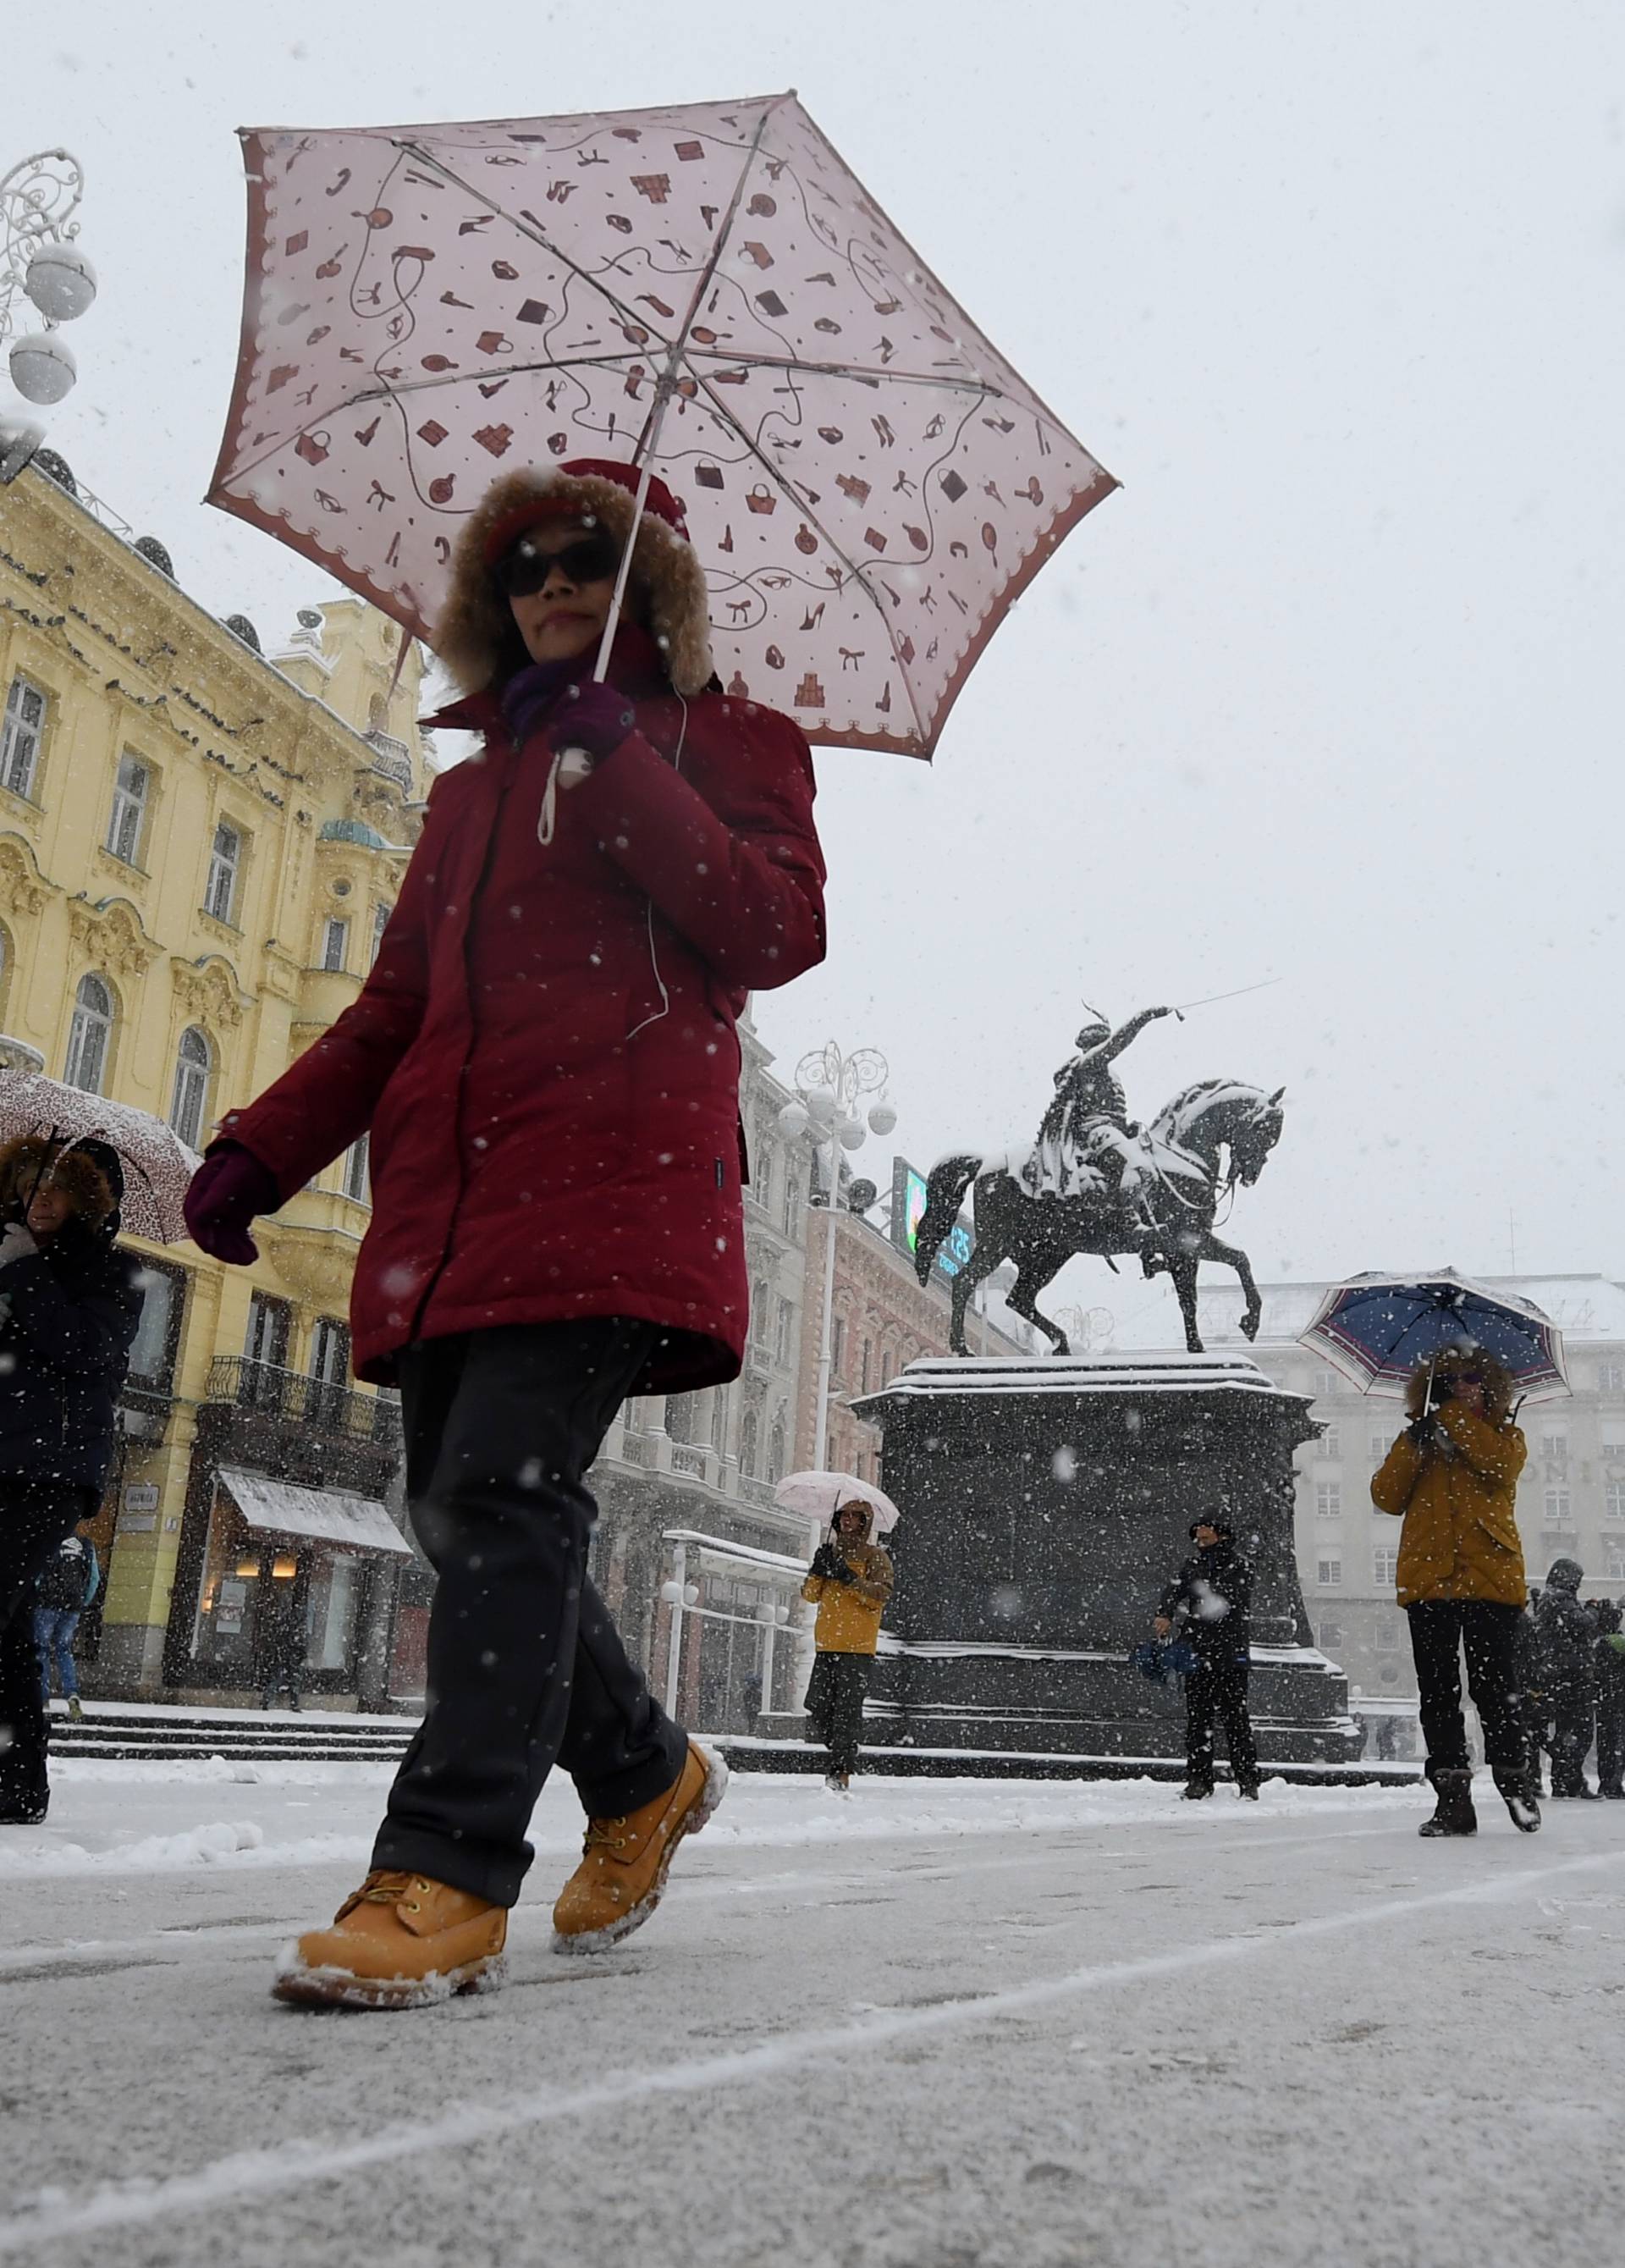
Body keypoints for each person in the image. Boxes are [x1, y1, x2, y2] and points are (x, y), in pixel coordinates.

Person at [183, 457, 826, 2008]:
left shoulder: (729, 739)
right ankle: (644, 1770)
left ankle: (447, 1867)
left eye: (590, 562)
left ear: (650, 593)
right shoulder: (465, 792)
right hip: (452, 1206)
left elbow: (774, 926)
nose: (552, 584)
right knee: (468, 1511)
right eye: (528, 562)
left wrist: (625, 769)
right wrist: (262, 1145)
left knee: (498, 1489)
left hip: (618, 1183)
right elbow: (400, 1005)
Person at [0, 1137, 141, 1824]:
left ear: (89, 1200)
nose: (43, 1197)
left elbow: (86, 1350)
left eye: (58, 1187)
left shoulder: (109, 1273)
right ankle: (18, 1783)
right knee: (12, 1635)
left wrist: (26, 1275)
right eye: (32, 1183)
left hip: (46, 1471)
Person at [1372, 1348, 1540, 1835]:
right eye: (1448, 1382)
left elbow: (1498, 1467)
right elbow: (1386, 1496)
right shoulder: (1419, 1437)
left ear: (1489, 1388)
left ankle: (1515, 1782)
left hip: (1490, 1579)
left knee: (1494, 1690)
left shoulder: (1506, 1435)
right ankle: (1453, 1801)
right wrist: (1414, 1443)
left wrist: (1450, 1418)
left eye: (1470, 1379)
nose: (1461, 1388)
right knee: (1438, 1695)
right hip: (1429, 1580)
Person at [1032, 1002, 1175, 1232]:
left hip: (1116, 1129)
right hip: (1097, 1130)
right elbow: (1119, 1042)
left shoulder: (1106, 1071)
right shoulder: (1089, 1064)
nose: (1107, 1050)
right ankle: (1129, 1221)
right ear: (1094, 1046)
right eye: (1103, 1044)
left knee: (1156, 1164)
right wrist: (1146, 1016)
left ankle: (1150, 1232)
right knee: (1139, 1167)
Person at [1154, 1515, 1260, 1800]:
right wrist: (1164, 1612)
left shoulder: (1240, 1565)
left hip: (1228, 1655)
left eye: (1205, 1539)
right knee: (1199, 1720)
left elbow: (1225, 1599)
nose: (1200, 1544)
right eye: (1197, 1540)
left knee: (1234, 1720)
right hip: (1201, 1655)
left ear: (1222, 1537)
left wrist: (1195, 1607)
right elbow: (1174, 1590)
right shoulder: (1194, 1565)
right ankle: (1200, 1780)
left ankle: (1247, 1780)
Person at [802, 1500, 895, 1793]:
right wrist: (818, 1570)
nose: (848, 1520)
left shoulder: (874, 1556)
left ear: (865, 1523)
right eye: (844, 1515)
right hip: (827, 1643)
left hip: (857, 1647)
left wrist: (849, 1577)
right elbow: (810, 1595)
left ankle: (841, 1768)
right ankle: (843, 1751)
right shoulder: (829, 1553)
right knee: (817, 1705)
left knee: (846, 1710)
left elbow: (879, 1595)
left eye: (855, 1516)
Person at [1533, 1558, 1599, 1798]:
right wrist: (1593, 1611)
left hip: (1557, 1672)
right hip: (1572, 1673)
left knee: (1566, 1730)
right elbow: (1581, 1625)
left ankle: (1565, 1779)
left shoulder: (1548, 1599)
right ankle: (1569, 1779)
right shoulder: (1561, 1598)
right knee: (1580, 1730)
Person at [34, 1520, 101, 1720]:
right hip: (72, 1606)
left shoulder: (49, 1541)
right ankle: (72, 1693)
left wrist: (35, 1595)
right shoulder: (86, 1545)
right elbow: (94, 1578)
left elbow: (36, 1574)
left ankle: (42, 1696)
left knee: (41, 1649)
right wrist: (82, 1601)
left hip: (47, 1603)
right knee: (64, 1648)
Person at [1592, 1600, 1625, 1801]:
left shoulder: (1596, 1645)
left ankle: (1605, 1782)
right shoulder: (1620, 1643)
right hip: (1620, 1700)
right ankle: (1615, 1784)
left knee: (1604, 1743)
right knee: (1618, 1743)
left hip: (1603, 1701)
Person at [257, 1579, 306, 1713]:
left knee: (281, 1679)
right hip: (289, 1657)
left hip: (286, 1656)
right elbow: (297, 1643)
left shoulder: (284, 1624)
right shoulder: (293, 1627)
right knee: (289, 1681)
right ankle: (291, 1704)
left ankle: (268, 1700)